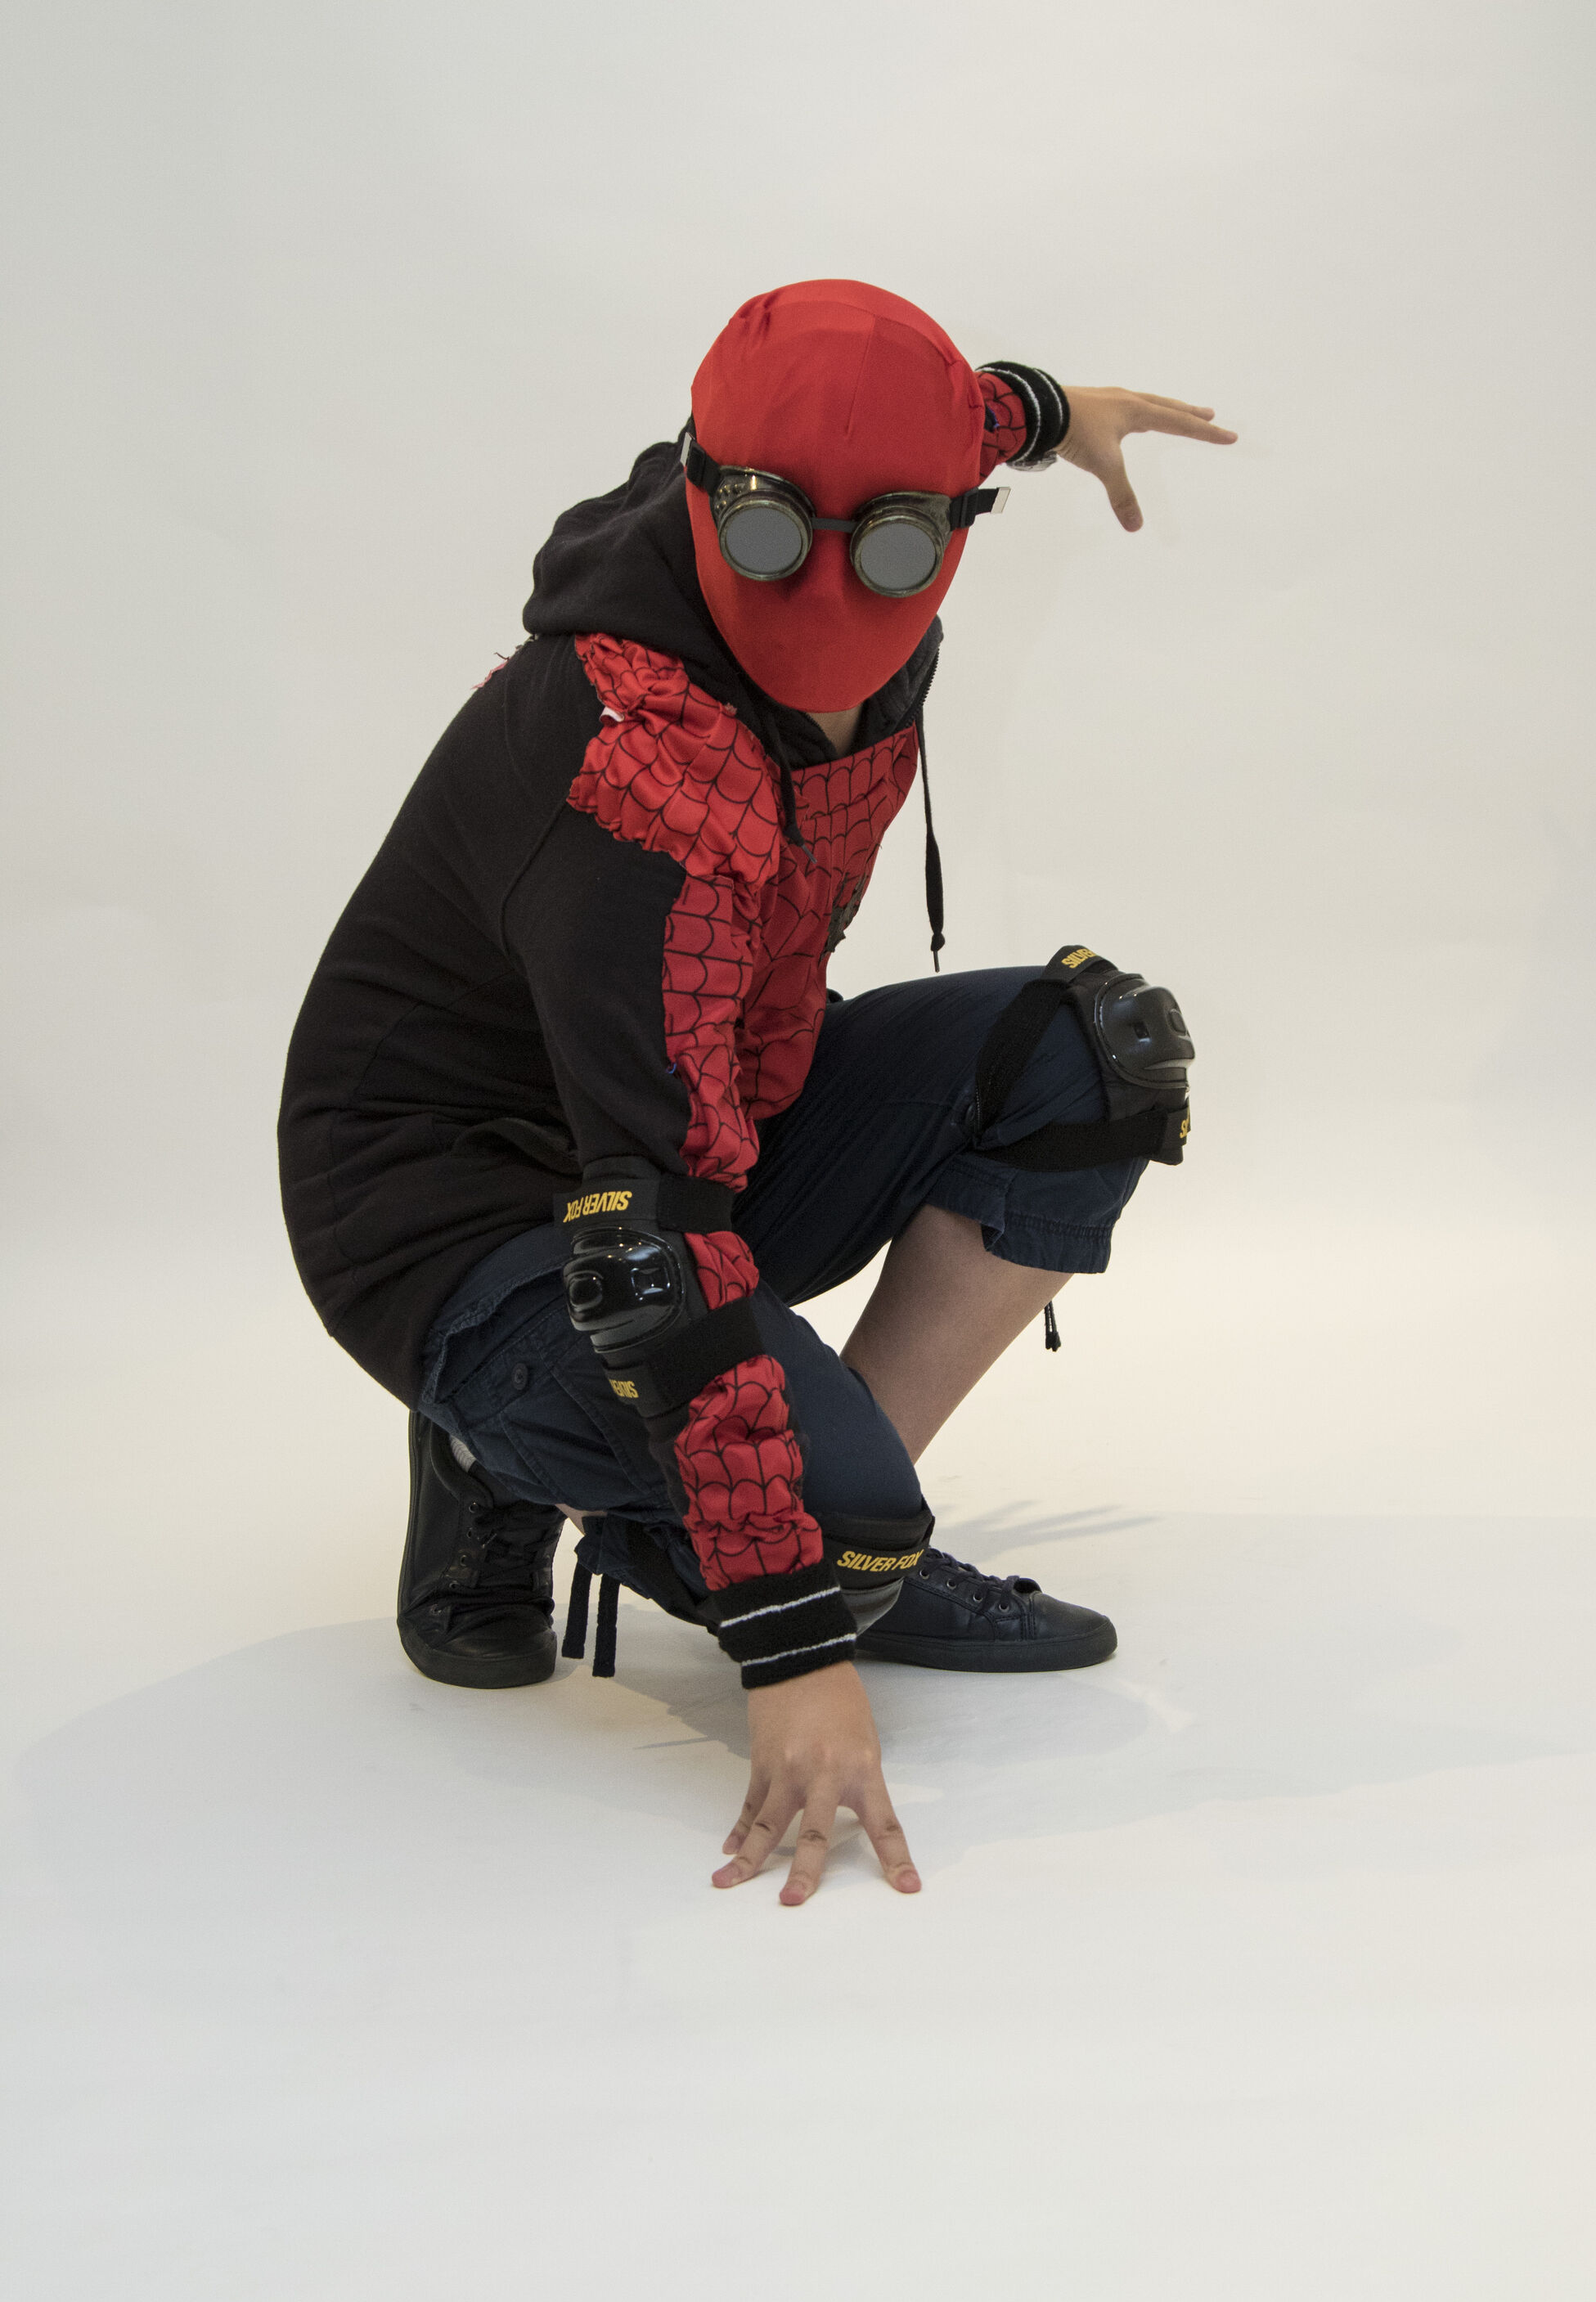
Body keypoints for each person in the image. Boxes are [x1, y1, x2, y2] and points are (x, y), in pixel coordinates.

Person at [278, 279, 1234, 1907]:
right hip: (461, 1215)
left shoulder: (900, 485)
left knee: (1096, 1053)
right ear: (711, 488)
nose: (831, 579)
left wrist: (1058, 412)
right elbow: (645, 1229)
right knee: (815, 1539)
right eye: (780, 533)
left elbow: (953, 419)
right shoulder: (632, 767)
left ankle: (856, 1526)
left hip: (710, 1097)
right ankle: (520, 1452)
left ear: (950, 521)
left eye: (897, 544)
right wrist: (792, 1646)